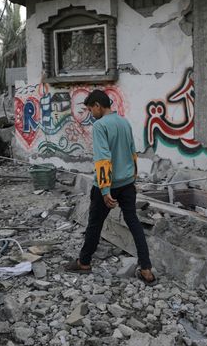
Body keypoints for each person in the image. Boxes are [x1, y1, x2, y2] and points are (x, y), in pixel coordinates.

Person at [64, 89, 156, 284]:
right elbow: (132, 152)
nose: (91, 114)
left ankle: (84, 262)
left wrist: (105, 190)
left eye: (91, 109)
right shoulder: (124, 122)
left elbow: (103, 159)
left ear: (98, 106)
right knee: (134, 223)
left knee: (95, 224)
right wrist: (132, 179)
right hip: (127, 183)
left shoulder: (100, 126)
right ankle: (146, 268)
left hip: (107, 185)